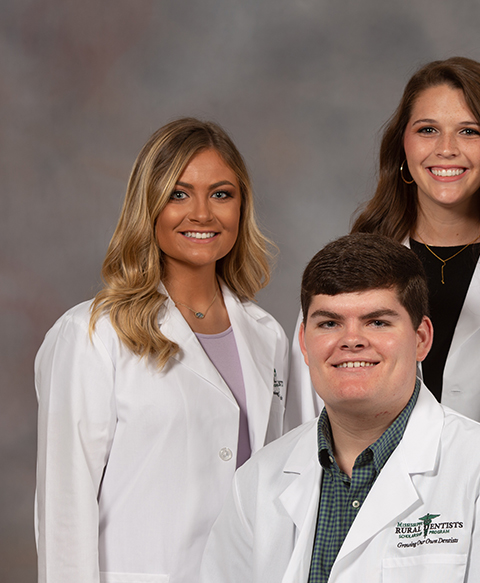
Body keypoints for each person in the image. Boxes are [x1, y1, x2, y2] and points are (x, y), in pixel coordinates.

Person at [34, 118, 309, 582]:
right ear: (149, 205)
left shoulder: (267, 337)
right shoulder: (92, 333)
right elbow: (65, 503)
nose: (202, 214)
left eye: (222, 194)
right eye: (179, 194)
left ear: (241, 208)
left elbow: (280, 482)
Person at [202, 233, 480, 583]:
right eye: (329, 323)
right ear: (305, 343)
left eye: (377, 322)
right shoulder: (258, 479)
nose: (352, 340)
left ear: (421, 339)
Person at [290, 57, 480, 459]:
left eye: (469, 131)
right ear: (403, 146)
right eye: (427, 130)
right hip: (371, 504)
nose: (446, 149)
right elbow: (310, 410)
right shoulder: (348, 270)